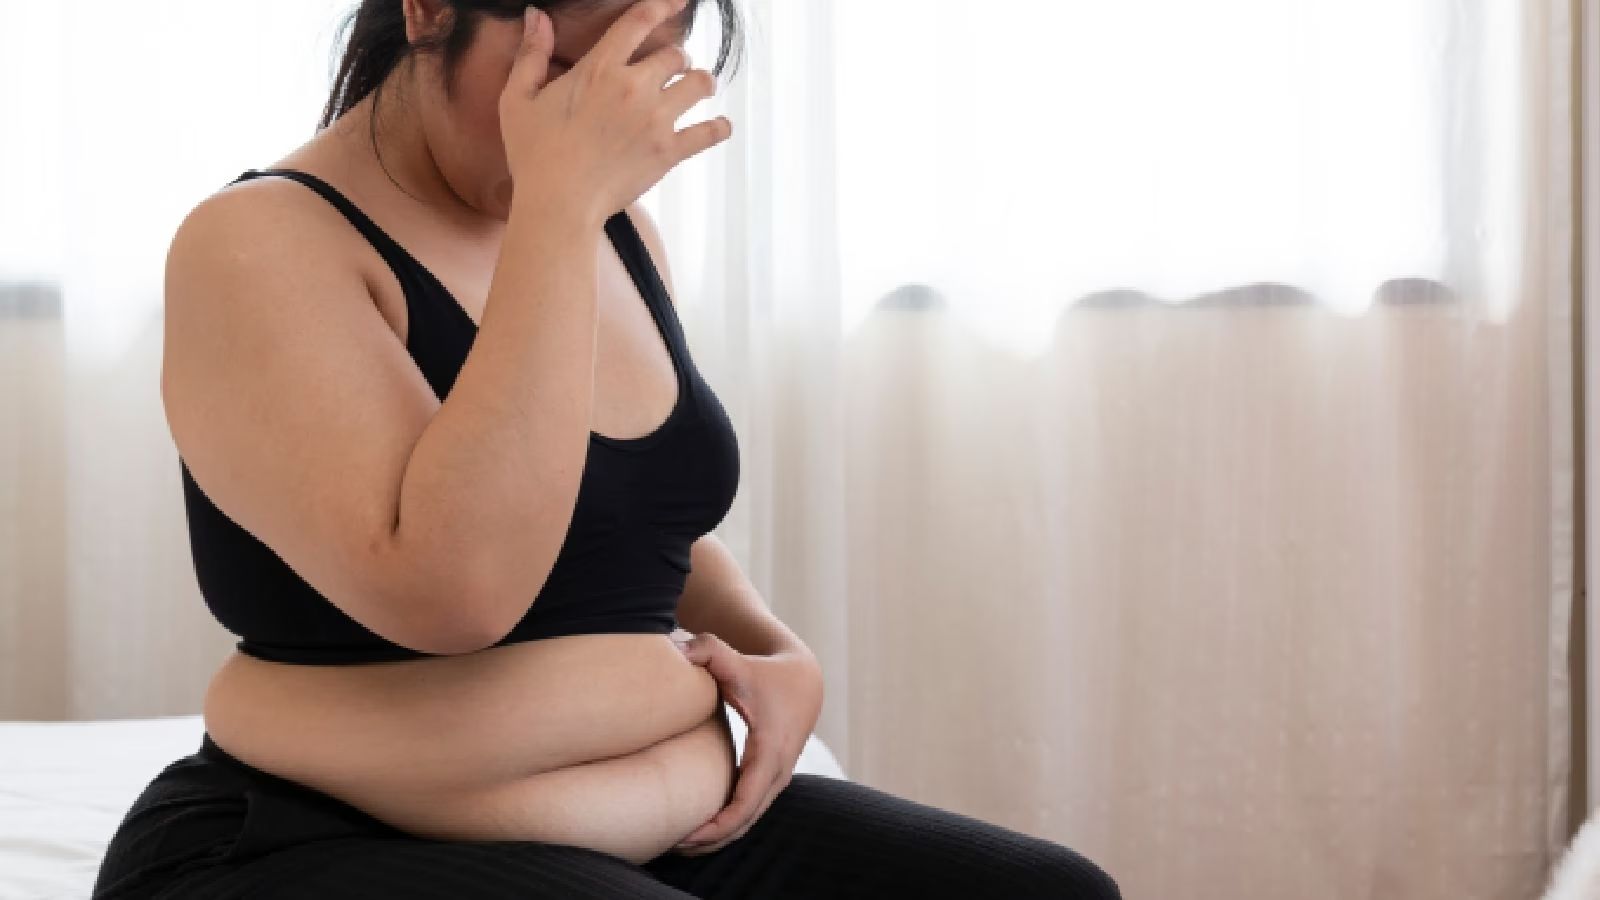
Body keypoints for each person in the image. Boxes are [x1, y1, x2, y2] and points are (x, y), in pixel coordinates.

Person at [90, 0, 1122, 896]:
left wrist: (775, 650)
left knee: (1052, 891)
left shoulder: (616, 230)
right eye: (569, 70)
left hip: (653, 825)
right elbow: (457, 591)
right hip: (305, 841)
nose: (592, 120)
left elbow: (623, 517)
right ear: (428, 9)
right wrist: (557, 212)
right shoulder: (261, 243)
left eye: (643, 63)